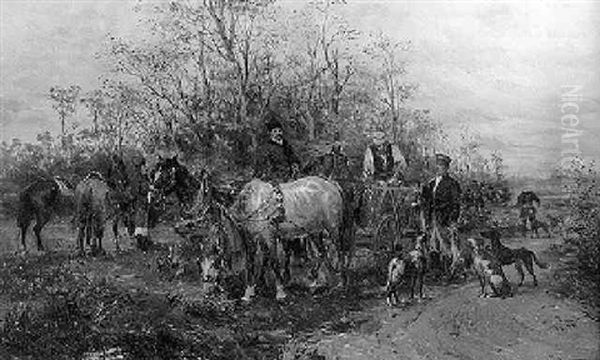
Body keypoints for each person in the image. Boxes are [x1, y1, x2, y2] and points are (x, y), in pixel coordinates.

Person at [420, 153, 462, 276]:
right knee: (433, 243)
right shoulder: (431, 183)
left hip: (444, 217)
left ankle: (449, 272)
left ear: (447, 168)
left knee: (445, 244)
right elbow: (426, 200)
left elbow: (456, 204)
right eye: (437, 166)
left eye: (442, 166)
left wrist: (453, 220)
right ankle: (436, 271)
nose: (439, 168)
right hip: (432, 217)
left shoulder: (452, 184)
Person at [254, 114, 300, 183]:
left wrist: (295, 164)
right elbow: (264, 165)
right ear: (270, 133)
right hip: (275, 177)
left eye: (279, 131)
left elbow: (293, 157)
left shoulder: (286, 144)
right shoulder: (267, 147)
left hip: (290, 176)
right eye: (275, 131)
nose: (278, 133)